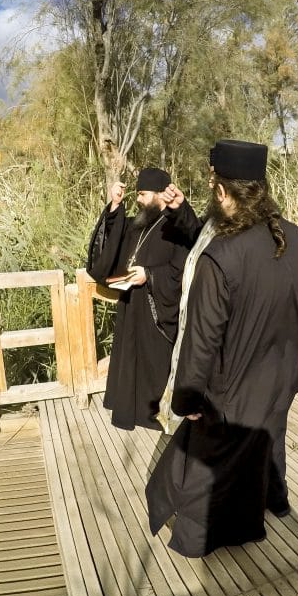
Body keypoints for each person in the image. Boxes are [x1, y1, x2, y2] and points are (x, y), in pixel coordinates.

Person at [146, 139, 298, 558]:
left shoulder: (221, 257)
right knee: (268, 438)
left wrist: (187, 398)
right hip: (284, 377)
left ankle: (197, 539)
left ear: (221, 192)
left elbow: (201, 343)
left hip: (234, 385)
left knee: (208, 463)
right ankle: (274, 500)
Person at [85, 167, 199, 431]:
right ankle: (129, 410)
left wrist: (149, 275)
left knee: (154, 361)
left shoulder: (175, 227)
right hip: (131, 305)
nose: (138, 199)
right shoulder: (139, 224)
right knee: (130, 358)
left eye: (143, 194)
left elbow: (182, 271)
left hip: (156, 309)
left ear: (161, 195)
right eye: (137, 194)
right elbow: (111, 244)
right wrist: (115, 205)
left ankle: (154, 414)